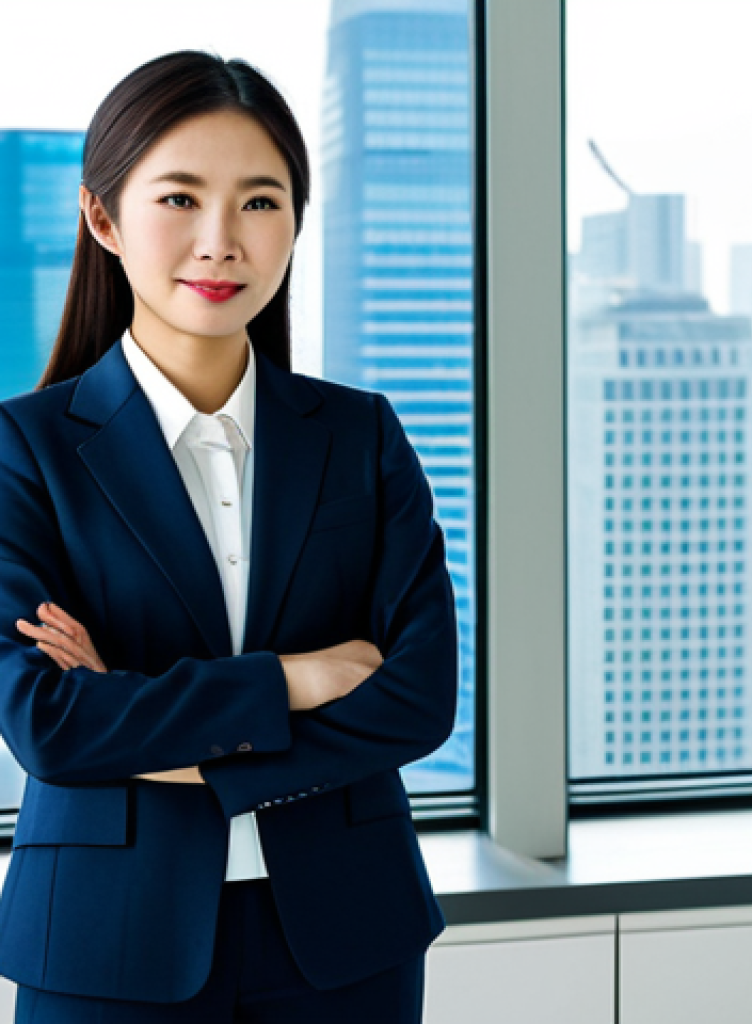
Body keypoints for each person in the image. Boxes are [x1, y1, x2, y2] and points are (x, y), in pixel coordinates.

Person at [0, 50, 457, 1023]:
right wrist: (295, 678)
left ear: (295, 221)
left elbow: (418, 701)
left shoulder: (359, 435)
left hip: (347, 933)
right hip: (105, 939)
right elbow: (48, 723)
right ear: (102, 218)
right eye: (178, 199)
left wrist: (140, 720)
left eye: (259, 202)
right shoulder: (23, 450)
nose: (220, 241)